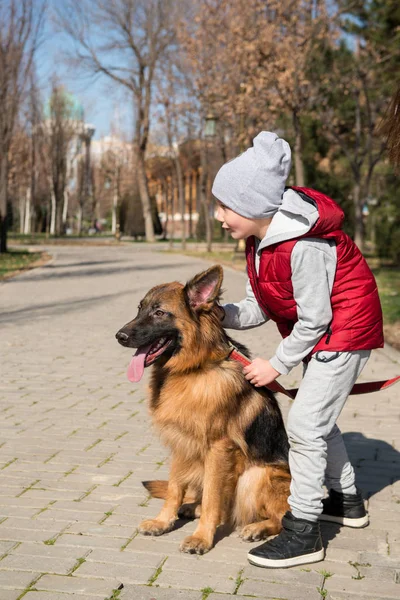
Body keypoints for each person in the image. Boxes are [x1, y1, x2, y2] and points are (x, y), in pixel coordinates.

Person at [212, 131, 384, 569]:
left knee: (306, 426)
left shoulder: (303, 244)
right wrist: (221, 314)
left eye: (225, 206)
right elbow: (258, 306)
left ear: (253, 205)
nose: (218, 216)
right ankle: (346, 501)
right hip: (323, 333)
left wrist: (277, 364)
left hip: (344, 332)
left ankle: (303, 530)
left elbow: (315, 319)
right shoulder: (258, 242)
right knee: (319, 420)